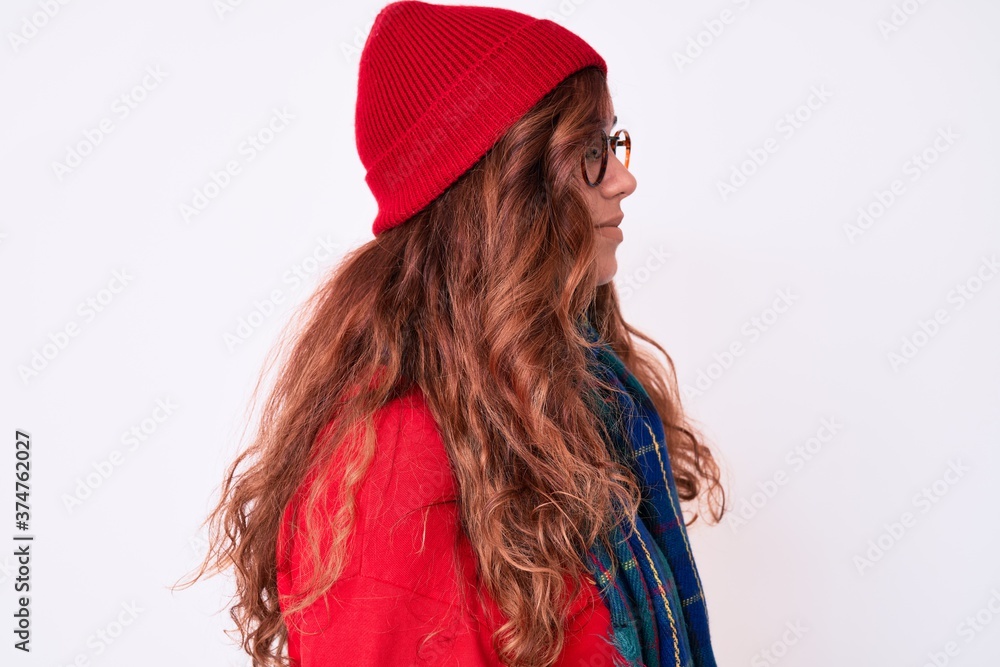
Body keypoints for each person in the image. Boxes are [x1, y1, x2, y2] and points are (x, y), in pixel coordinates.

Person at [179, 2, 727, 665]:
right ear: (504, 190)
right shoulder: (393, 464)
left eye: (613, 142)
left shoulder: (571, 405)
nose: (623, 177)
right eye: (589, 151)